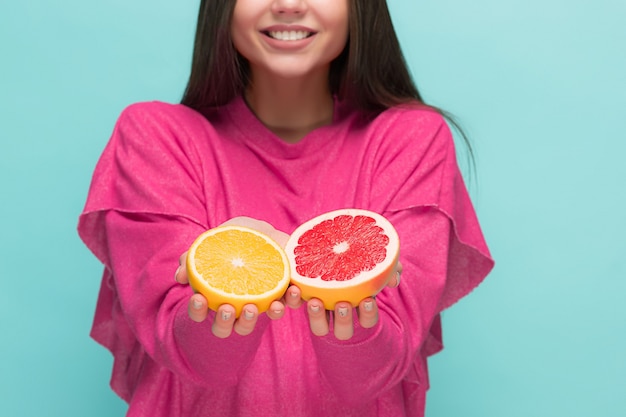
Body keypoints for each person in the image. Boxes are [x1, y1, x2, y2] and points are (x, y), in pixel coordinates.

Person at [77, 0, 494, 416]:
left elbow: (376, 371)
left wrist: (346, 312)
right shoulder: (156, 136)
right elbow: (193, 358)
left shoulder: (411, 138)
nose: (289, 5)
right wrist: (228, 289)